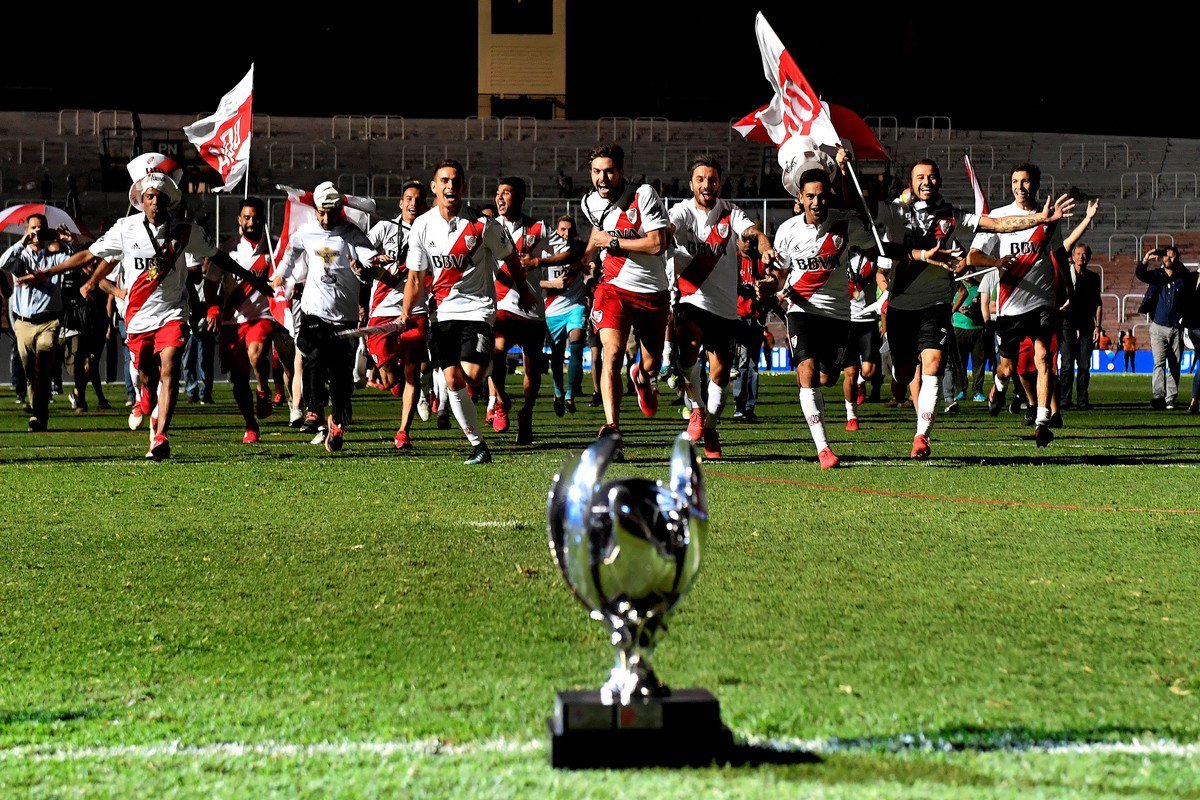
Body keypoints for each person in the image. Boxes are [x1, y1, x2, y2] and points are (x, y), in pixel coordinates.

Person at [26, 153, 267, 459]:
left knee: (171, 365)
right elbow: (89, 256)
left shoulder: (185, 230)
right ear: (141, 199)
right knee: (148, 378)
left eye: (160, 197)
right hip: (138, 317)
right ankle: (146, 398)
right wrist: (47, 272)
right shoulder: (125, 228)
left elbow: (217, 256)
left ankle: (161, 436)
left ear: (169, 201)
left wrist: (250, 276)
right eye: (150, 196)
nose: (155, 202)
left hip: (172, 313)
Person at [872, 159, 1075, 458]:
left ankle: (922, 436)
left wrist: (1039, 220)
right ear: (911, 182)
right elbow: (859, 208)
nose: (926, 182)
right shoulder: (895, 212)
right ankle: (989, 386)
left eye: (932, 176)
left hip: (939, 303)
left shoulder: (951, 215)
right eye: (920, 177)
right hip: (905, 305)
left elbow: (999, 225)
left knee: (934, 365)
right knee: (904, 373)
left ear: (940, 181)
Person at [397, 159, 535, 464]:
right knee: (451, 381)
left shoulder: (483, 225)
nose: (450, 186)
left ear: (463, 187)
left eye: (455, 181)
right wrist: (406, 312)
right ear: (434, 187)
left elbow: (511, 258)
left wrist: (525, 291)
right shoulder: (422, 225)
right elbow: (415, 278)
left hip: (477, 311)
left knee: (472, 376)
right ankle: (478, 446)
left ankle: (491, 381)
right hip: (442, 314)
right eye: (444, 181)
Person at [964, 164, 1090, 446]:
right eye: (1015, 181)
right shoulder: (998, 217)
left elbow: (1058, 255)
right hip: (1010, 305)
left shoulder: (1048, 218)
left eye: (1026, 181)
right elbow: (972, 257)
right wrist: (995, 262)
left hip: (1042, 302)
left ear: (1036, 184)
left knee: (1043, 357)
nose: (1020, 187)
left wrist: (1067, 291)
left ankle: (1042, 421)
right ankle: (999, 386)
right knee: (1007, 368)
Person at [762, 166, 874, 468]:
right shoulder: (787, 230)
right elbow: (780, 274)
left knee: (826, 377)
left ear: (829, 197)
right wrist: (769, 285)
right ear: (800, 197)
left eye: (821, 196)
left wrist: (845, 170)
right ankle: (823, 448)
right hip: (802, 310)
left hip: (838, 315)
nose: (816, 202)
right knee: (807, 370)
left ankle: (816, 400)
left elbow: (871, 230)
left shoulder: (845, 223)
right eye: (810, 196)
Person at [668, 156, 775, 459]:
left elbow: (751, 232)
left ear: (719, 183)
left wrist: (765, 245)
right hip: (691, 298)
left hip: (725, 309)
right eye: (700, 179)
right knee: (687, 346)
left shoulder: (731, 212)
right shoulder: (682, 211)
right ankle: (696, 409)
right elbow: (670, 227)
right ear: (691, 183)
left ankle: (711, 427)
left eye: (712, 180)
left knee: (720, 375)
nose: (706, 185)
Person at [272, 181, 384, 452]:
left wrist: (374, 261)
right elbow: (290, 251)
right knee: (313, 356)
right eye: (321, 213)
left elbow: (369, 256)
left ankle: (339, 422)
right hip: (314, 311)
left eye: (330, 213)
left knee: (340, 373)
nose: (325, 219)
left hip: (344, 316)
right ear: (315, 210)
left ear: (338, 210)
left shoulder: (351, 234)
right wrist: (281, 275)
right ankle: (314, 409)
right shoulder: (306, 232)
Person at [580, 143, 670, 456]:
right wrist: (587, 258)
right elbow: (597, 232)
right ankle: (611, 428)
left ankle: (642, 377)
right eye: (596, 172)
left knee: (651, 363)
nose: (602, 178)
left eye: (608, 171)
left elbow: (657, 244)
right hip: (613, 288)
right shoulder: (589, 202)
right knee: (613, 351)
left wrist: (613, 242)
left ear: (620, 172)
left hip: (652, 290)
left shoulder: (643, 195)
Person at [492, 177, 571, 444]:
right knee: (496, 353)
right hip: (502, 305)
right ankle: (500, 400)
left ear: (520, 197)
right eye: (498, 193)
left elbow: (568, 252)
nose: (500, 198)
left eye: (506, 193)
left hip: (533, 310)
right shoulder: (490, 227)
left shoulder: (539, 228)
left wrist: (538, 261)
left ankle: (526, 414)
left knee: (532, 369)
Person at [365, 181, 430, 450]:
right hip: (383, 309)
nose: (413, 204)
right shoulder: (385, 228)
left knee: (413, 371)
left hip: (416, 309)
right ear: (401, 203)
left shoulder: (431, 231)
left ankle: (404, 432)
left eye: (418, 200)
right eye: (409, 199)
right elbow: (361, 255)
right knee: (389, 378)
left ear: (425, 205)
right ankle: (406, 388)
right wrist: (375, 259)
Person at [210, 197, 277, 444]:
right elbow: (210, 282)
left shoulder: (274, 248)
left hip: (261, 316)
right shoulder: (227, 249)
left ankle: (263, 387)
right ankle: (250, 424)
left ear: (263, 219)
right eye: (246, 218)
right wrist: (212, 310)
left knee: (256, 354)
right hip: (232, 321)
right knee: (238, 379)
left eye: (255, 218)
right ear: (239, 219)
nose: (251, 222)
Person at [0, 214, 68, 431]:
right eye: (33, 228)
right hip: (24, 323)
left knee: (43, 367)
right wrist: (22, 242)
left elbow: (76, 262)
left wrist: (69, 243)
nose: (37, 231)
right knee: (31, 371)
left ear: (46, 231)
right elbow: (3, 263)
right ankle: (36, 402)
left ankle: (39, 415)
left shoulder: (54, 257)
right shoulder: (21, 258)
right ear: (27, 230)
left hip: (49, 321)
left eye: (40, 228)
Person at [1136, 246, 1193, 409]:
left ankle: (1170, 399)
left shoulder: (1182, 277)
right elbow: (1141, 274)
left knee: (1174, 364)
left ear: (1177, 259)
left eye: (1173, 257)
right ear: (1162, 258)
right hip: (1158, 326)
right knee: (1158, 363)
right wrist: (1145, 260)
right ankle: (1158, 397)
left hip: (1176, 327)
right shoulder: (1157, 275)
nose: (1169, 259)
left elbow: (1190, 280)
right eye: (1166, 256)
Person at [542, 215, 589, 415]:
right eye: (562, 229)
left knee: (577, 344)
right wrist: (552, 284)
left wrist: (591, 271)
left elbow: (591, 265)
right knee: (557, 355)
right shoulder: (546, 252)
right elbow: (533, 281)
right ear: (556, 231)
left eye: (570, 230)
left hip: (576, 305)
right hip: (553, 309)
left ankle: (570, 394)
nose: (566, 234)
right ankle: (558, 392)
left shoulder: (580, 250)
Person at [844, 245, 886, 428]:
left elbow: (883, 275)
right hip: (847, 320)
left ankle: (861, 382)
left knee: (869, 371)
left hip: (868, 320)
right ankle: (851, 416)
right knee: (850, 372)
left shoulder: (874, 255)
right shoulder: (841, 254)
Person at [1059, 242, 1102, 409]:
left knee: (1084, 365)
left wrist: (1098, 326)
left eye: (1084, 254)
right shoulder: (1065, 275)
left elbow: (1098, 303)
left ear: (1088, 257)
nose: (1081, 257)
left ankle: (1083, 401)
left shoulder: (1094, 278)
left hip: (1086, 325)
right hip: (1067, 324)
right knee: (1067, 363)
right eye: (1078, 254)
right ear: (1073, 256)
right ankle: (1065, 399)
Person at [950, 275, 987, 402]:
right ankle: (961, 390)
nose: (968, 273)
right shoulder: (956, 285)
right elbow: (946, 303)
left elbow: (987, 304)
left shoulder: (980, 286)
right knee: (960, 362)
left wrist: (976, 305)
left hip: (978, 328)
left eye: (971, 269)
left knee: (979, 362)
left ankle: (977, 391)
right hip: (959, 328)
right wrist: (957, 307)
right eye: (966, 270)